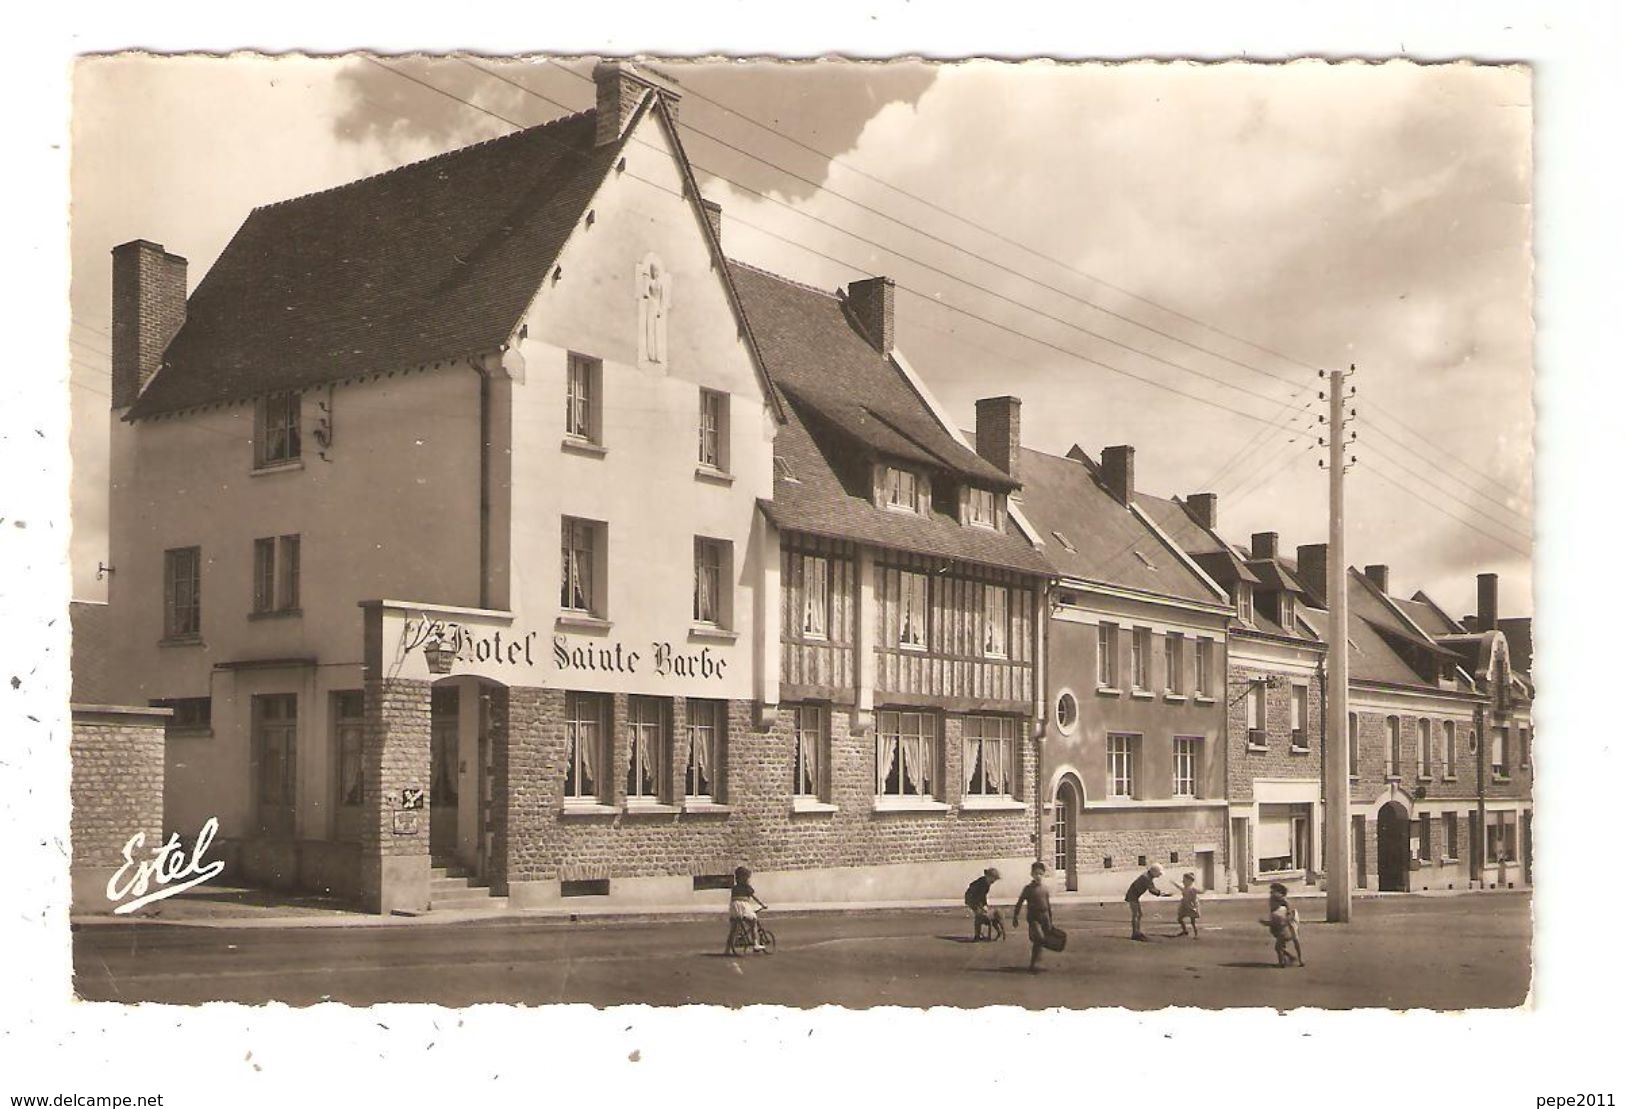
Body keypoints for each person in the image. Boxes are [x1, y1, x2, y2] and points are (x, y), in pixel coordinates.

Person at [1011, 861, 1054, 972]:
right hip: (1033, 917)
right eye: (1036, 874)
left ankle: (1035, 963)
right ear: (1032, 874)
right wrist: (1015, 916)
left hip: (1044, 916)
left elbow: (1048, 905)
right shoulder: (1028, 889)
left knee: (1040, 940)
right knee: (1039, 938)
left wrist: (1050, 920)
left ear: (1043, 874)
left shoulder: (1045, 889)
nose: (1038, 876)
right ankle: (1034, 963)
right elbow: (1020, 902)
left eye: (1040, 873)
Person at [1260, 882, 1304, 967]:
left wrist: (1288, 914)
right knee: (1281, 943)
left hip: (1286, 919)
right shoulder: (1275, 899)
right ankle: (1288, 958)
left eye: (1273, 891)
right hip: (1281, 919)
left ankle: (1296, 959)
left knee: (1292, 939)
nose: (1271, 893)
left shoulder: (1279, 898)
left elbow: (1288, 908)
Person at [1124, 863, 1171, 940]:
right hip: (1132, 896)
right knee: (1136, 914)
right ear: (1154, 872)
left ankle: (1137, 932)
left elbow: (1152, 888)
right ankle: (1135, 934)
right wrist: (1163, 894)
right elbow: (1152, 890)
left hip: (1134, 895)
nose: (1159, 876)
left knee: (1138, 914)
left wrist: (1161, 893)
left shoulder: (1148, 876)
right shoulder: (1146, 877)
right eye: (1158, 874)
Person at [730, 865, 767, 953]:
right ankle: (756, 944)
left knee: (733, 929)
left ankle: (727, 949)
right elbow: (755, 898)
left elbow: (734, 900)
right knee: (753, 922)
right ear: (744, 878)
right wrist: (762, 905)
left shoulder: (734, 888)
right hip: (743, 907)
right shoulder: (747, 888)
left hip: (734, 909)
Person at [964, 867, 1002, 941]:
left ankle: (978, 935)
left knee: (980, 914)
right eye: (993, 879)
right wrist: (981, 906)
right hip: (971, 899)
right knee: (978, 916)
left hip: (976, 900)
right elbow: (976, 893)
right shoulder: (981, 883)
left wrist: (985, 905)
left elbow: (983, 896)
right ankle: (977, 936)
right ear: (988, 876)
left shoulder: (987, 884)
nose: (993, 882)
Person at [1176, 872, 1202, 938]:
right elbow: (1179, 887)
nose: (1183, 881)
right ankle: (1185, 931)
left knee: (1193, 921)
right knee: (1180, 919)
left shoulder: (1192, 888)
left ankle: (1196, 934)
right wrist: (1174, 883)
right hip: (1184, 905)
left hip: (1191, 905)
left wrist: (1195, 906)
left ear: (1190, 881)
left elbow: (1199, 891)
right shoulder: (1185, 888)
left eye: (1185, 880)